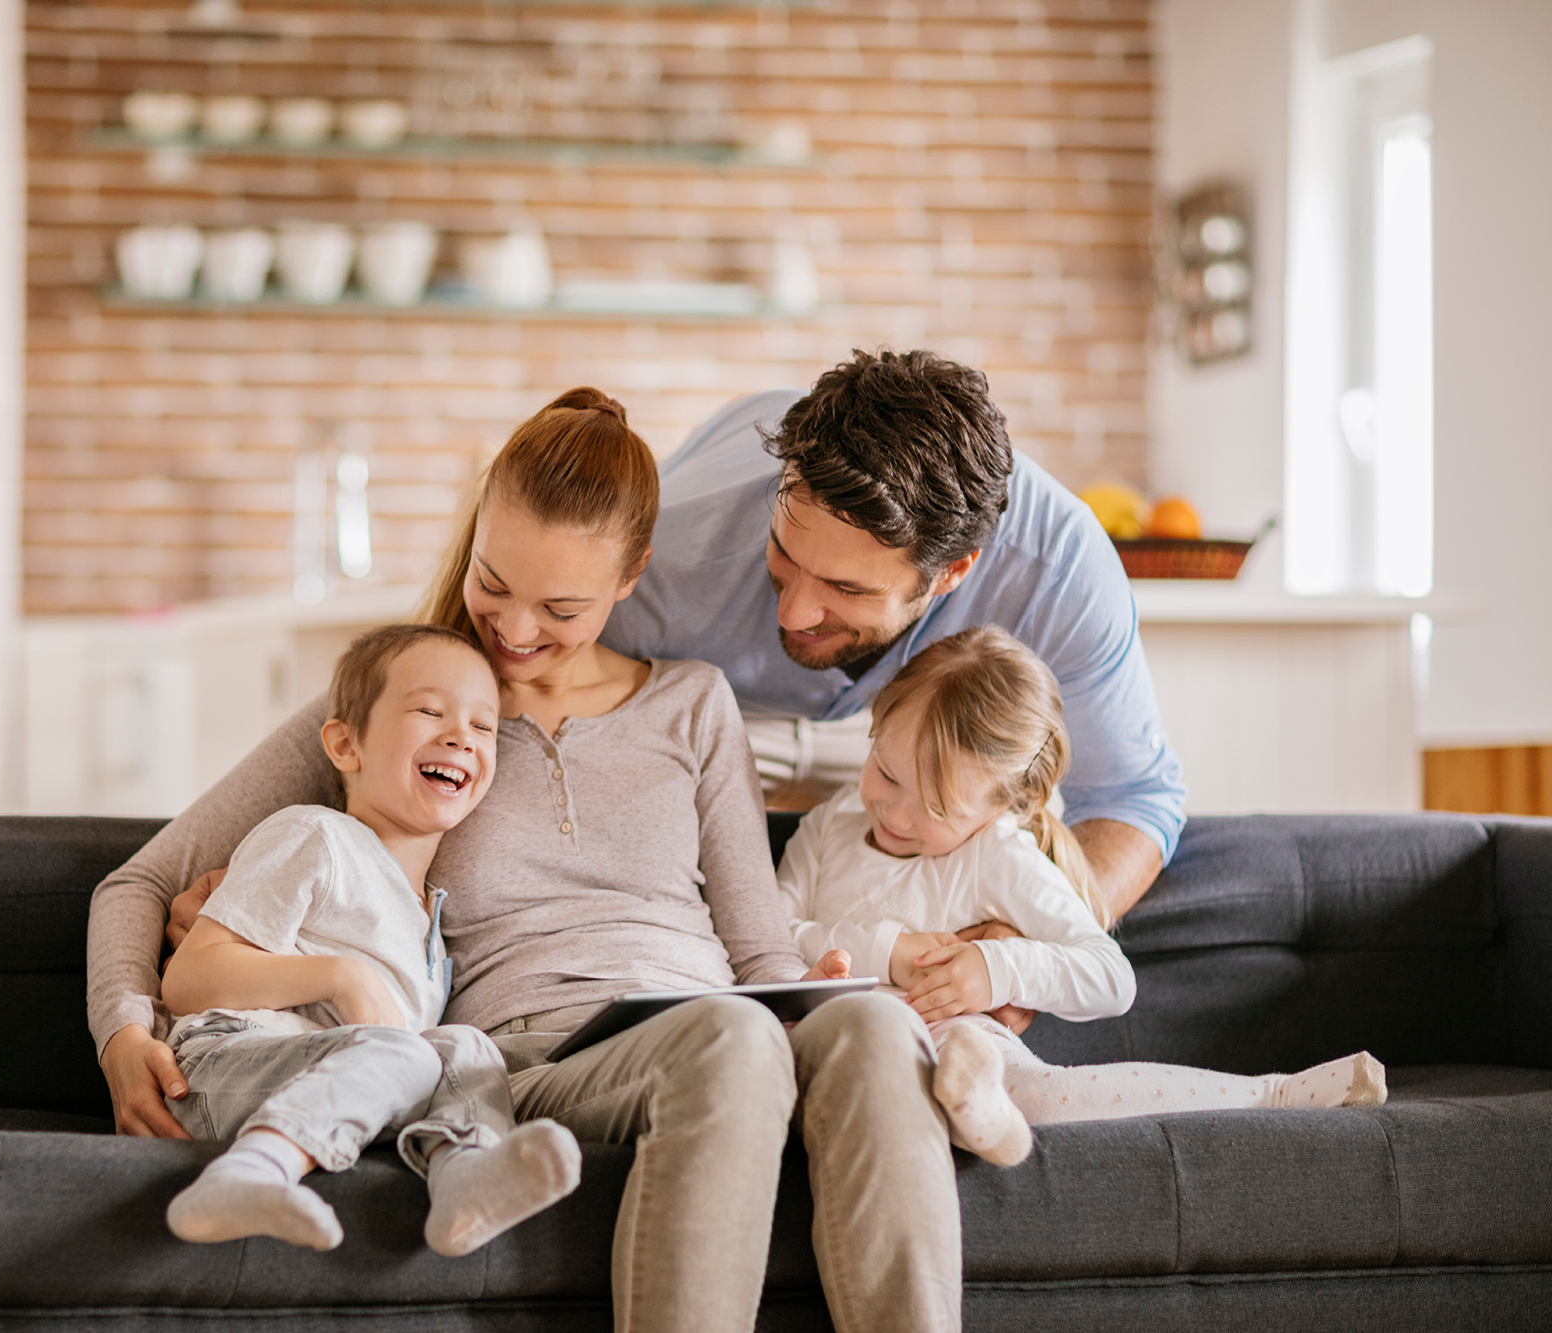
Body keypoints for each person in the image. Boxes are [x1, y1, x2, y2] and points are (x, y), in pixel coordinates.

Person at [88, 387, 963, 1333]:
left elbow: (757, 950)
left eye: (560, 606)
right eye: (492, 582)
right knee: (734, 1039)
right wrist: (122, 1032)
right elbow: (140, 878)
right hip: (539, 1053)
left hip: (713, 1011)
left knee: (873, 1027)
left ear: (631, 577)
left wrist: (811, 987)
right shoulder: (413, 709)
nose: (511, 630)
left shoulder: (694, 705)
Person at [599, 349, 1188, 940]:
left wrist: (1027, 951)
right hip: (717, 709)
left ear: (952, 572)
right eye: (783, 554)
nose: (793, 610)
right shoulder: (659, 563)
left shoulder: (1060, 568)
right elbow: (526, 654)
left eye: (846, 586)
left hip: (905, 741)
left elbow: (1133, 798)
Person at [777, 625, 1386, 1169]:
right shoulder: (832, 822)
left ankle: (1272, 1095)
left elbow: (1108, 977)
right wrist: (887, 952)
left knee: (1036, 1087)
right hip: (844, 1038)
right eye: (884, 771)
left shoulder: (997, 853)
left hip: (955, 1040)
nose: (893, 809)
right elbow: (767, 931)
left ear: (1002, 806)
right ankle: (976, 1116)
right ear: (875, 725)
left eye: (937, 807)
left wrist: (997, 968)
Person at [157, 622, 582, 1256]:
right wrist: (340, 976)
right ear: (346, 745)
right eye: (430, 711)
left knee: (464, 1046)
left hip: (342, 1088)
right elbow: (187, 980)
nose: (460, 735)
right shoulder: (315, 837)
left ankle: (463, 1178)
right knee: (409, 1054)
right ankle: (249, 1171)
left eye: (483, 726)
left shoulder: (429, 922)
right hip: (223, 1067)